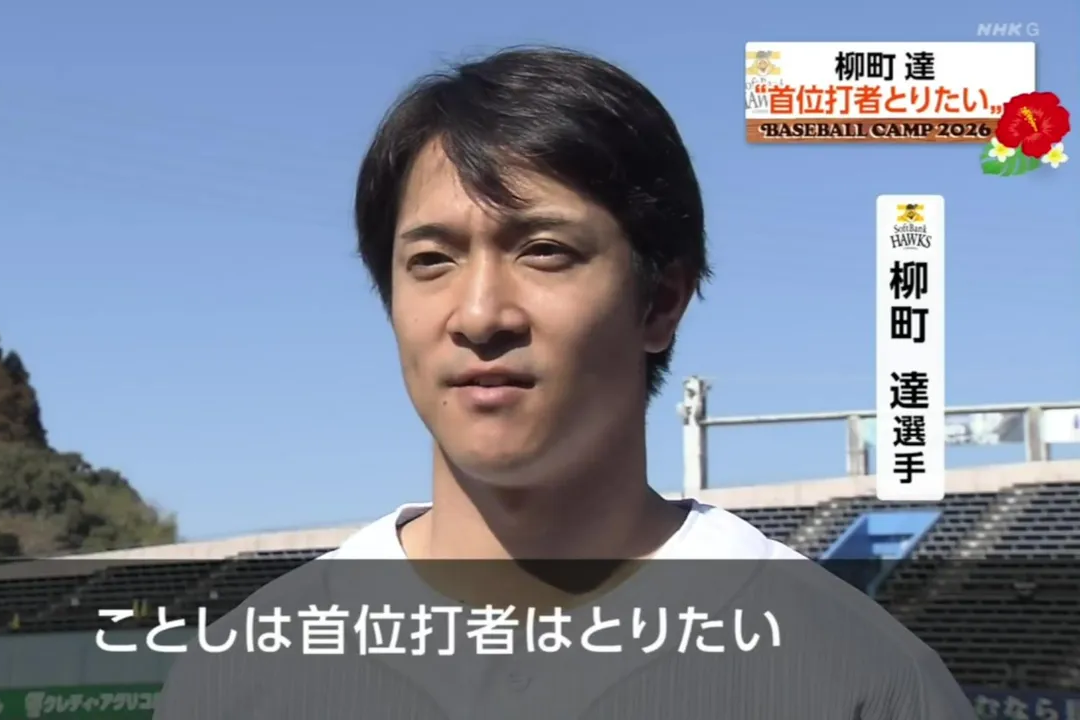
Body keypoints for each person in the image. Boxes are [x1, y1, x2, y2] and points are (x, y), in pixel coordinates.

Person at [155, 46, 976, 719]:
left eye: (544, 251)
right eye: (431, 261)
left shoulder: (860, 680)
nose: (480, 314)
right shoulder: (242, 678)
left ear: (660, 301)